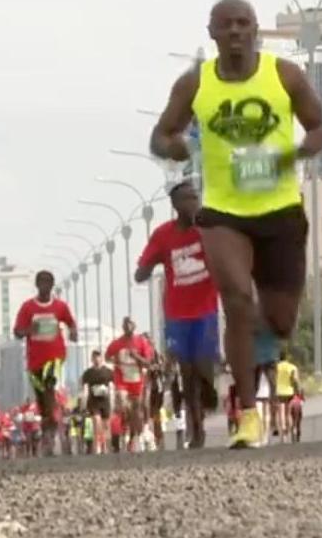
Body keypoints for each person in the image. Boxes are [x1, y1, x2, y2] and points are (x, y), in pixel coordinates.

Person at [149, 0, 322, 449]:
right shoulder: (196, 84)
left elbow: (319, 128)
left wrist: (295, 153)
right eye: (225, 25)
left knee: (281, 320)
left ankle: (257, 351)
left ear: (256, 31)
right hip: (224, 212)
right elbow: (161, 134)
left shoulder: (284, 75)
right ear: (211, 33)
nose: (234, 32)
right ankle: (248, 414)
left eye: (243, 24)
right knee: (236, 299)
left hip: (281, 210)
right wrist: (176, 148)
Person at [135, 180, 221, 449]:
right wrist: (146, 269)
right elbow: (141, 271)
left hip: (206, 310)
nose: (193, 203)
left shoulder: (209, 229)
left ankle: (210, 389)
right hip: (177, 316)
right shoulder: (163, 235)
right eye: (187, 199)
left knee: (203, 367)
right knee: (187, 373)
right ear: (175, 205)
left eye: (196, 197)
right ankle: (197, 430)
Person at [12, 270, 78, 456]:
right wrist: (28, 330)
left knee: (50, 386)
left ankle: (54, 432)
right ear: (37, 285)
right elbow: (17, 332)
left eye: (47, 282)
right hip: (35, 362)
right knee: (42, 400)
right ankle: (51, 431)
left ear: (52, 285)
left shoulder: (60, 307)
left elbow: (71, 322)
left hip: (55, 357)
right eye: (41, 282)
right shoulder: (27, 308)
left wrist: (73, 331)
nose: (44, 285)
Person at [105, 317, 155, 452]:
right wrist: (114, 361)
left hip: (137, 380)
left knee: (136, 411)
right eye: (125, 324)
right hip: (122, 380)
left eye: (130, 324)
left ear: (134, 326)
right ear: (122, 327)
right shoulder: (117, 343)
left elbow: (148, 363)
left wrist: (136, 356)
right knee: (123, 403)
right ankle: (126, 427)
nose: (127, 327)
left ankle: (134, 436)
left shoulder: (141, 342)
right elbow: (106, 356)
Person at [80, 349, 115, 454]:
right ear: (91, 359)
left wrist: (113, 397)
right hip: (93, 401)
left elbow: (114, 384)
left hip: (105, 401)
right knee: (96, 421)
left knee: (105, 426)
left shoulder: (108, 371)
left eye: (98, 356)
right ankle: (97, 447)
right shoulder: (88, 373)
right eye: (94, 357)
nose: (97, 359)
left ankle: (105, 446)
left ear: (102, 358)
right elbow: (83, 386)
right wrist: (83, 400)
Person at [272, 348, 301, 442]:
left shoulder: (276, 367)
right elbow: (295, 380)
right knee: (288, 413)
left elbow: (273, 379)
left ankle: (283, 434)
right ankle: (291, 429)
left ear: (279, 357)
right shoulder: (292, 367)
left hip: (279, 392)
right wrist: (298, 391)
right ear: (287, 357)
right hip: (290, 392)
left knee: (281, 413)